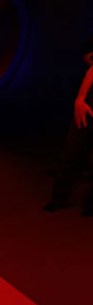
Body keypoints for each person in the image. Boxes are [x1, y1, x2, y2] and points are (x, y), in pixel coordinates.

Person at [43, 39, 93, 215]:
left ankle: (90, 206)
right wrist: (80, 99)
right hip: (89, 110)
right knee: (72, 154)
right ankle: (58, 199)